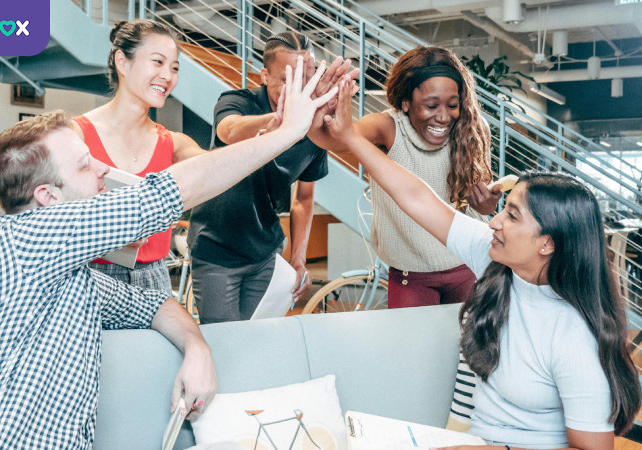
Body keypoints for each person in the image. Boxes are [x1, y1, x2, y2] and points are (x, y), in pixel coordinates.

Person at [0, 57, 337, 448]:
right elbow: (168, 192)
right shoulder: (17, 240)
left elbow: (156, 303)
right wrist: (287, 133)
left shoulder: (73, 275)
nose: (103, 171)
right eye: (83, 165)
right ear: (47, 198)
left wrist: (197, 347)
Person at [322, 81, 642, 449]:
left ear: (548, 243)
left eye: (513, 216)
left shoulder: (573, 336)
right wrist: (349, 137)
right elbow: (417, 198)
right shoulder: (494, 260)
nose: (493, 221)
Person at [309, 46, 502, 309]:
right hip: (411, 276)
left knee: (467, 348)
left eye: (453, 105)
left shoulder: (472, 129)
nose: (444, 116)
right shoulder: (387, 127)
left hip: (468, 266)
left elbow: (480, 206)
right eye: (431, 105)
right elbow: (334, 140)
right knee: (410, 349)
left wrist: (487, 207)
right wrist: (317, 110)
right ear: (405, 102)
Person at [187, 31, 354, 324]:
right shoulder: (238, 101)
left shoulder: (313, 129)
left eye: (306, 80)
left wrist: (299, 259)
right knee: (225, 343)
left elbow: (304, 198)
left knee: (259, 341)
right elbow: (229, 130)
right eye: (287, 81)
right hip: (217, 250)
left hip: (265, 253)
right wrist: (278, 123)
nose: (299, 91)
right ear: (264, 75)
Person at [73, 19, 207, 290]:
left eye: (174, 68)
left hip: (155, 279)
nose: (168, 76)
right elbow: (47, 212)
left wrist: (277, 135)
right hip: (89, 276)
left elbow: (222, 170)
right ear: (122, 62)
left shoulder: (174, 144)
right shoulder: (76, 135)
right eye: (158, 62)